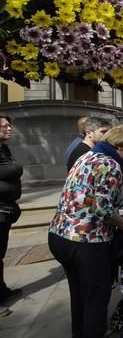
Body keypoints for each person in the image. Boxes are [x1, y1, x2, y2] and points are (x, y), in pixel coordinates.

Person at [48, 124, 123, 338]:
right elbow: (103, 209)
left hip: (60, 236)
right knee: (96, 298)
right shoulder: (109, 163)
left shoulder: (89, 156)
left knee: (79, 296)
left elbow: (113, 189)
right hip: (86, 241)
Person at [0, 114, 22, 317]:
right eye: (5, 126)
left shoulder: (4, 149)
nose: (9, 128)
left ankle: (2, 291)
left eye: (9, 125)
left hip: (5, 210)